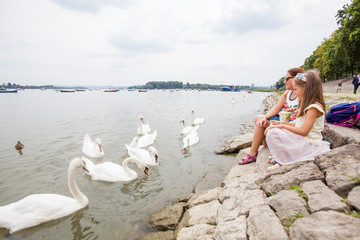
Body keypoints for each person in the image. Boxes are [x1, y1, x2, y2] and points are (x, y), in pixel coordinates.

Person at [264, 70, 330, 172]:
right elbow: (297, 124)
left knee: (273, 132)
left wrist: (282, 126)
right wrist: (281, 123)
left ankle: (283, 161)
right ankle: (283, 156)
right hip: (303, 139)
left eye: (295, 89)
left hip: (309, 143)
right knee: (272, 128)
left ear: (307, 89)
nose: (294, 92)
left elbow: (304, 131)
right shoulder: (307, 105)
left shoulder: (313, 108)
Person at [238, 67, 304, 165]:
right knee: (260, 118)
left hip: (291, 125)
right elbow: (276, 109)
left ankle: (255, 152)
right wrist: (265, 117)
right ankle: (262, 148)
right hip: (284, 121)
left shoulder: (302, 94)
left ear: (295, 79)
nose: (284, 82)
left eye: (287, 79)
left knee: (262, 123)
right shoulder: (287, 93)